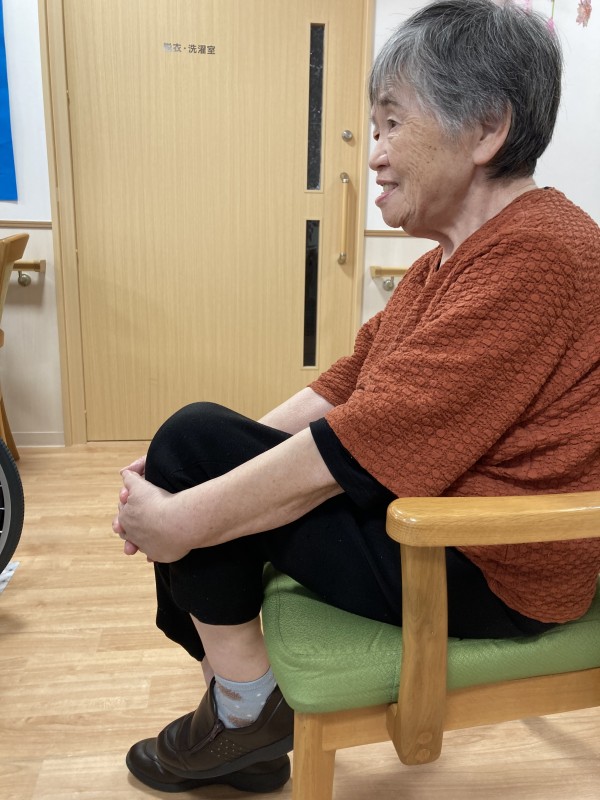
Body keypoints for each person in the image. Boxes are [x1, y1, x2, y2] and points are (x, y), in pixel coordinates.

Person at [115, 0, 600, 793]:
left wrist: (180, 516)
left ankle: (244, 716)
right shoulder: (449, 261)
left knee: (193, 445)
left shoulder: (542, 254)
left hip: (488, 563)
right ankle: (245, 711)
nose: (373, 156)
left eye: (391, 124)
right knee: (196, 444)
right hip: (435, 527)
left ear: (486, 128)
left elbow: (375, 435)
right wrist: (200, 474)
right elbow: (347, 383)